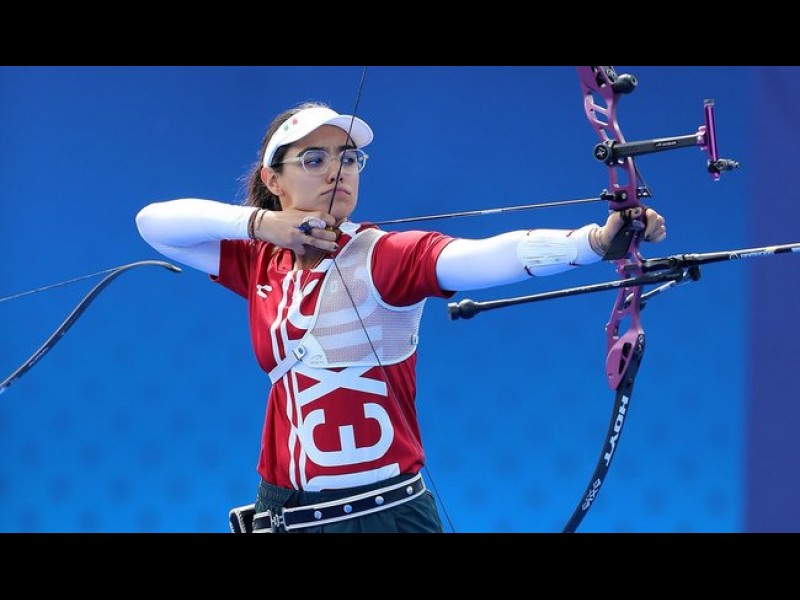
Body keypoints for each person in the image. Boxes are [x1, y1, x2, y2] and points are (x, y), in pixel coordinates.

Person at [135, 101, 667, 533]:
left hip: (382, 516)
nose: (337, 171)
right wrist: (261, 225)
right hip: (283, 515)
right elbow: (154, 224)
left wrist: (593, 242)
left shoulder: (383, 257)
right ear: (273, 180)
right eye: (314, 159)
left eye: (348, 158)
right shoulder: (260, 261)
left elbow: (486, 256)